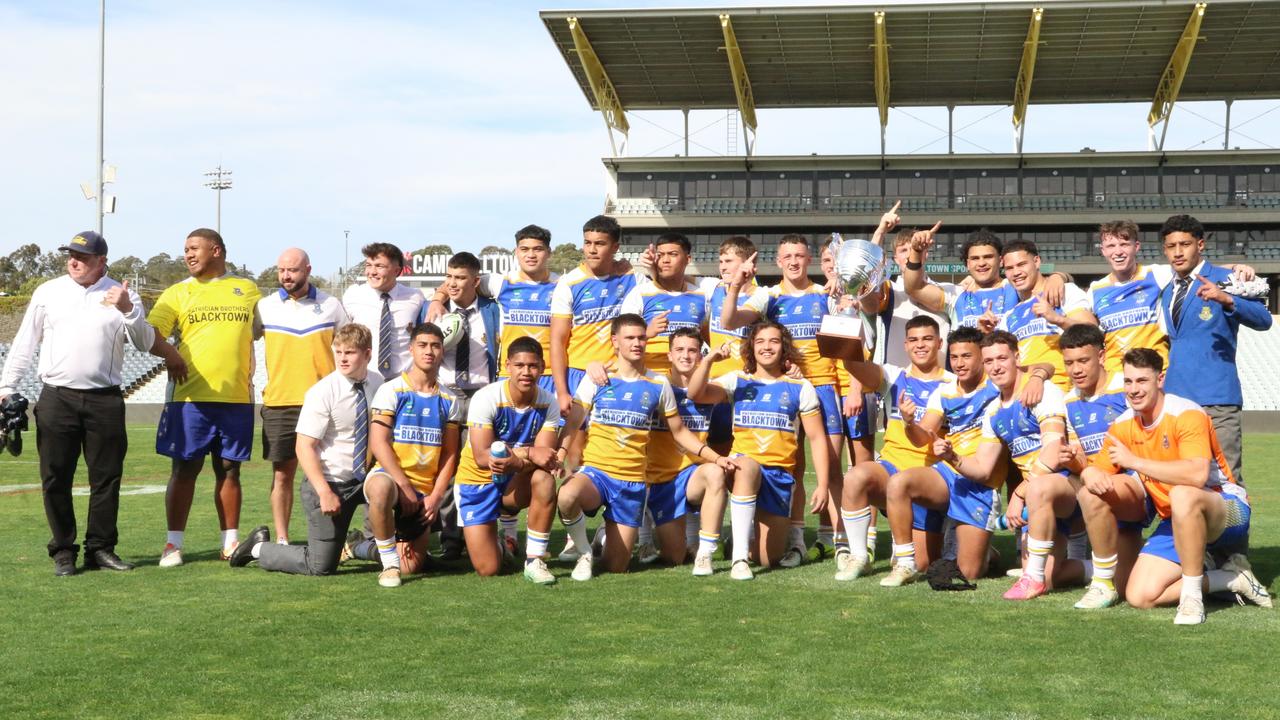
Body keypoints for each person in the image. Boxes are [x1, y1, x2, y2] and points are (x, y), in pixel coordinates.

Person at [0, 231, 154, 575]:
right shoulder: (48, 292)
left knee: (107, 478)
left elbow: (144, 343)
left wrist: (128, 309)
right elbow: (25, 342)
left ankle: (100, 549)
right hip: (57, 396)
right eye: (70, 255)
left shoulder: (123, 294)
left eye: (83, 257)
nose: (74, 261)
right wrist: (6, 386)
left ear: (101, 261)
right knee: (55, 476)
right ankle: (63, 551)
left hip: (105, 399)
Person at [1083, 348, 1270, 624]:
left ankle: (1192, 597)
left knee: (1183, 493)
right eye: (1128, 381)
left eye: (1142, 381)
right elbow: (1097, 470)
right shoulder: (1123, 424)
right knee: (1140, 596)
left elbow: (1196, 475)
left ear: (1160, 379)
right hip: (1176, 518)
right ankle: (1230, 578)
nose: (1134, 389)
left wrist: (1135, 461)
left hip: (1226, 510)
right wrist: (1089, 475)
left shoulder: (1185, 413)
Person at [557, 314, 733, 581]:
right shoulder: (598, 377)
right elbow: (573, 423)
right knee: (567, 496)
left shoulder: (657, 384)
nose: (637, 343)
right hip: (598, 473)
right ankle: (583, 552)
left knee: (619, 565)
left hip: (634, 481)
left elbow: (679, 432)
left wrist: (714, 458)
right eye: (630, 337)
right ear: (615, 341)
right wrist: (560, 456)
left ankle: (608, 535)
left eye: (641, 337)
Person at [720, 234, 846, 568]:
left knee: (831, 467)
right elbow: (729, 321)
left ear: (809, 261)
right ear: (778, 261)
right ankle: (796, 541)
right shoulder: (768, 296)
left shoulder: (824, 294)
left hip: (821, 385)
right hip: (782, 389)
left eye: (800, 256)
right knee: (795, 467)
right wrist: (735, 285)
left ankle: (836, 541)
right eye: (787, 256)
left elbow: (846, 342)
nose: (794, 261)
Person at [227, 324, 385, 582]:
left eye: (350, 352)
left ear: (367, 354)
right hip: (331, 483)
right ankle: (257, 548)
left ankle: (357, 545)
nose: (342, 358)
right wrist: (324, 492)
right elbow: (304, 446)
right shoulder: (322, 392)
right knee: (321, 565)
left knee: (400, 536)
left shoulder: (378, 383)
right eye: (338, 352)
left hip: (367, 480)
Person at [149, 228, 261, 566]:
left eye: (194, 248)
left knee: (230, 470)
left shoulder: (248, 289)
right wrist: (171, 354)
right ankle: (173, 545)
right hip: (189, 398)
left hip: (236, 397)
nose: (188, 254)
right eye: (185, 249)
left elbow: (263, 330)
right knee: (184, 468)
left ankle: (230, 542)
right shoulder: (176, 292)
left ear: (216, 250)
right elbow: (151, 333)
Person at [687, 320, 831, 580]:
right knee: (747, 465)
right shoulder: (737, 380)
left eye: (774, 341)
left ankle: (742, 541)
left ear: (784, 347)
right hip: (742, 467)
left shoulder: (801, 387)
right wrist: (707, 361)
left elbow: (817, 438)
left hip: (779, 477)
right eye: (760, 341)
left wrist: (822, 484)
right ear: (751, 347)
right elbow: (695, 394)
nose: (767, 347)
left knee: (768, 558)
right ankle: (738, 558)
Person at [943, 331, 1077, 601]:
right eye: (989, 360)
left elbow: (1055, 451)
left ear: (1017, 357)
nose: (996, 366)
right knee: (1052, 577)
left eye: (1002, 358)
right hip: (1037, 499)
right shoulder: (993, 410)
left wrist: (1019, 492)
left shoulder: (1041, 391)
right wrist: (952, 457)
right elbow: (982, 468)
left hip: (1067, 485)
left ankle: (1032, 579)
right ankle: (1096, 569)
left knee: (1040, 490)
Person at [877, 326, 1004, 583]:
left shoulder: (997, 386)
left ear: (981, 357)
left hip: (979, 484)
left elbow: (1040, 367)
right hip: (949, 473)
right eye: (955, 357)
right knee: (899, 482)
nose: (959, 363)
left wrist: (1037, 375)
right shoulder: (944, 391)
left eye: (966, 356)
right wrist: (910, 422)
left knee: (967, 573)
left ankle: (981, 550)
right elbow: (924, 434)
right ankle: (904, 562)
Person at [836, 315, 954, 586]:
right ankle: (859, 556)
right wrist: (844, 338)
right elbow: (857, 366)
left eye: (927, 339)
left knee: (926, 562)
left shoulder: (952, 383)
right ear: (905, 344)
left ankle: (948, 534)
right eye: (913, 340)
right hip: (890, 469)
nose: (920, 345)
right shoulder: (893, 375)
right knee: (856, 475)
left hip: (927, 480)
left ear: (939, 343)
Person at [345, 323, 464, 585]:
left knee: (411, 566)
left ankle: (357, 546)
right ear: (411, 349)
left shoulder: (450, 399)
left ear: (442, 351)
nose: (429, 351)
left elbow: (450, 454)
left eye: (435, 346)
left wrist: (434, 497)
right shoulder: (392, 390)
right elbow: (379, 443)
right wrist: (404, 486)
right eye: (422, 345)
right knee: (379, 489)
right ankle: (388, 566)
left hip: (424, 490)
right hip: (391, 479)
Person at [1159, 214, 1271, 488]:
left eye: (1184, 244)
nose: (1177, 252)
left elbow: (1264, 319)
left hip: (1217, 399)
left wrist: (1228, 299)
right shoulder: (1165, 290)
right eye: (1171, 246)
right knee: (1182, 484)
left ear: (1200, 245)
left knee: (1226, 484)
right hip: (1176, 400)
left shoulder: (1227, 278)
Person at [254, 247, 349, 545]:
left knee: (331, 475)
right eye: (281, 270)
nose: (286, 276)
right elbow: (241, 342)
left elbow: (349, 347)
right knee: (282, 476)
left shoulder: (332, 306)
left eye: (292, 270)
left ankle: (330, 541)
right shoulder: (264, 307)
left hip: (324, 405)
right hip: (280, 403)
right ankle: (282, 539)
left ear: (308, 269)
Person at [452, 337, 562, 584]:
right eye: (520, 365)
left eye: (533, 366)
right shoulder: (486, 397)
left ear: (543, 368)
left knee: (544, 479)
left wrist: (522, 458)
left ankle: (535, 560)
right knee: (488, 569)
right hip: (476, 482)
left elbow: (544, 457)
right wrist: (529, 453)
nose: (526, 372)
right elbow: (482, 457)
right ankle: (502, 543)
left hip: (514, 481)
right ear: (507, 365)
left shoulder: (548, 402)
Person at [1086, 219, 1257, 376]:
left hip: (1155, 376)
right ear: (1102, 250)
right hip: (1115, 379)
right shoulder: (1095, 290)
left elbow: (1198, 271)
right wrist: (1060, 276)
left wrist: (1235, 266)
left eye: (1124, 244)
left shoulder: (1156, 274)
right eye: (1111, 246)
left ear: (1136, 246)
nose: (1118, 252)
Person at [1053, 323, 1145, 610]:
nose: (1076, 369)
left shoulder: (1126, 389)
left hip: (1137, 483)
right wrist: (1074, 461)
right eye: (1069, 363)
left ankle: (1101, 582)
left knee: (1090, 491)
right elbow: (1080, 459)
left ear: (1102, 357)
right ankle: (1040, 566)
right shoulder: (1068, 401)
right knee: (1132, 589)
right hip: (1102, 485)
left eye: (1083, 360)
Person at [635, 327, 728, 575]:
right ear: (669, 355)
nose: (686, 356)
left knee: (715, 473)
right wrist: (594, 366)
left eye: (692, 350)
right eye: (679, 350)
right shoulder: (653, 385)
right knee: (674, 558)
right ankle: (647, 534)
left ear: (700, 356)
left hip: (691, 475)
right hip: (657, 479)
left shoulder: (711, 390)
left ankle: (705, 554)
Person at [430, 251, 501, 561]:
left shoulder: (493, 310)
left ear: (476, 281)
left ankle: (487, 533)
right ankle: (450, 540)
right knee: (445, 466)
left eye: (460, 278)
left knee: (482, 467)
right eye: (449, 278)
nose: (453, 284)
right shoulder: (435, 311)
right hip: (445, 394)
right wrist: (437, 299)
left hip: (481, 395)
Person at [550, 215, 639, 419]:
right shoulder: (569, 283)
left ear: (615, 247)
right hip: (578, 373)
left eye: (600, 244)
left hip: (617, 373)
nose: (592, 249)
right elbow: (557, 340)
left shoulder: (632, 278)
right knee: (572, 444)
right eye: (588, 243)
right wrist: (562, 392)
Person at [980, 239, 1095, 393]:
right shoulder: (1010, 315)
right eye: (1009, 268)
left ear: (1037, 261)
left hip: (1062, 390)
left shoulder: (1064, 291)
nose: (1016, 272)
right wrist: (985, 333)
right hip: (1024, 394)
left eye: (1021, 264)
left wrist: (1057, 319)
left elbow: (1093, 333)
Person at [620, 232, 709, 376]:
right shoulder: (640, 294)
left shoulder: (701, 295)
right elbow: (620, 341)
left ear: (688, 259)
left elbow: (708, 337)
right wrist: (647, 333)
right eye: (660, 255)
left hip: (689, 378)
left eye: (673, 254)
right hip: (650, 377)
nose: (665, 260)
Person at [342, 243, 423, 381]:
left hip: (404, 383)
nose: (372, 272)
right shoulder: (352, 295)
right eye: (368, 265)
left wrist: (438, 300)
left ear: (397, 271)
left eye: (379, 266)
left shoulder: (415, 297)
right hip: (365, 381)